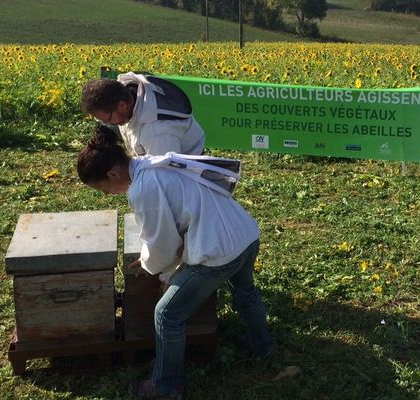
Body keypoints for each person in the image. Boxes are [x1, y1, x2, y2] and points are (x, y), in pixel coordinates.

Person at [77, 125, 273, 399]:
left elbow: (164, 244)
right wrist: (159, 264)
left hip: (217, 254)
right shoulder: (156, 161)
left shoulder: (143, 188)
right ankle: (261, 346)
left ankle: (165, 387)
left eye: (102, 189)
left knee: (167, 315)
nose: (107, 195)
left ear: (112, 174)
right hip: (245, 235)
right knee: (245, 292)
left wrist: (152, 267)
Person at [81, 72, 205, 156]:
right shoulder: (127, 89)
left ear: (122, 106)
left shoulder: (157, 132)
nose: (108, 124)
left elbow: (163, 178)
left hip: (183, 176)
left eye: (107, 119)